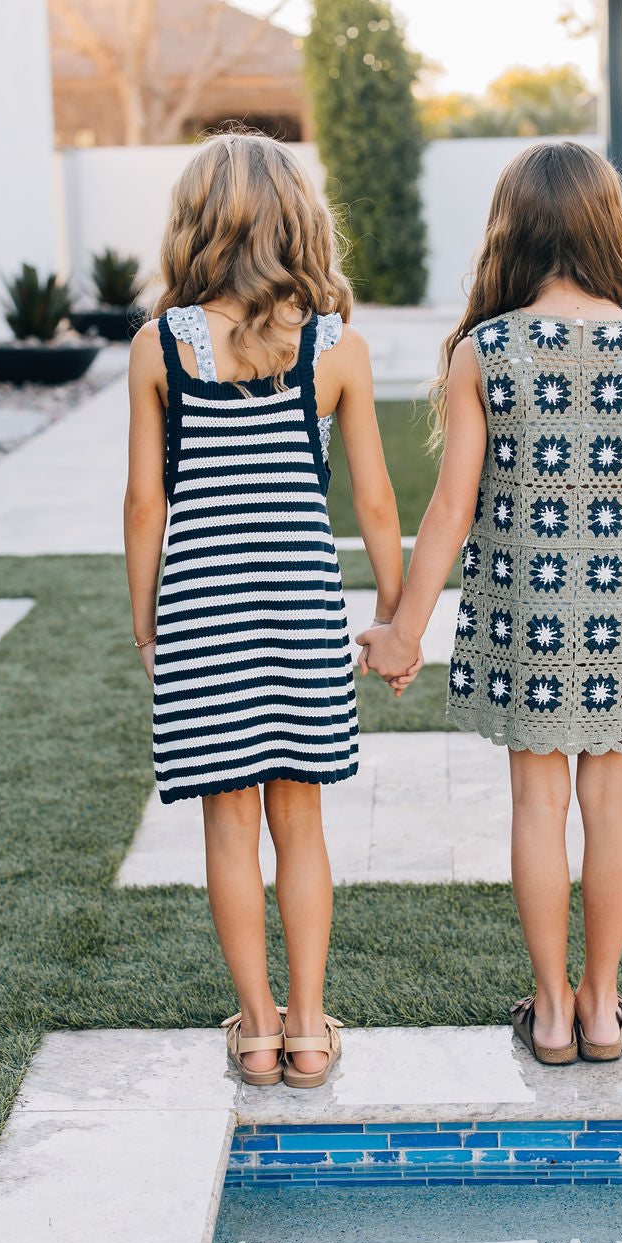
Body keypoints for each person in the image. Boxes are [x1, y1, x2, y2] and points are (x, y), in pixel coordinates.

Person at [358, 141, 622, 1064]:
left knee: (537, 806)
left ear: (510, 231)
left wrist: (401, 633)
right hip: (619, 608)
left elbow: (450, 512)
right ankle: (603, 1005)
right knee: (612, 807)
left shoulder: (485, 350)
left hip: (526, 618)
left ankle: (549, 1013)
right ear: (606, 228)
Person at [124, 132, 410, 1088]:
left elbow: (144, 503)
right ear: (300, 221)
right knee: (302, 825)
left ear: (196, 226)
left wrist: (146, 617)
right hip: (299, 614)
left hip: (204, 611)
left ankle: (253, 1029)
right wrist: (396, 610)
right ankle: (311, 1026)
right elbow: (373, 499)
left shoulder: (160, 349)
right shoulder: (335, 349)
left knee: (227, 827)